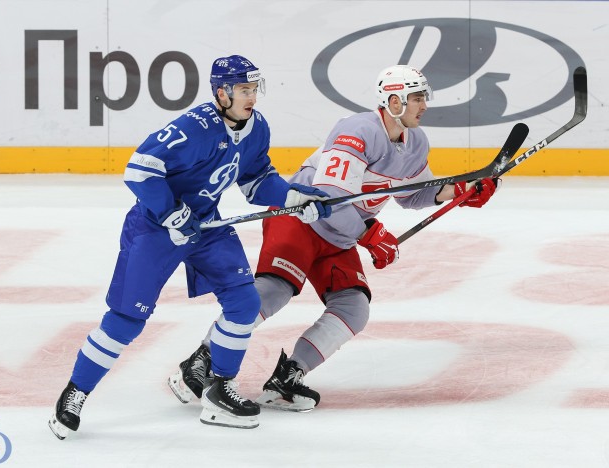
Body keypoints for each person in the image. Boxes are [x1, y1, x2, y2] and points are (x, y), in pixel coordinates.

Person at [168, 65, 498, 412]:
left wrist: (459, 191)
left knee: (354, 308)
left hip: (340, 235)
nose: (424, 105)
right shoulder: (358, 130)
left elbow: (413, 194)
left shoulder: (415, 143)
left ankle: (287, 378)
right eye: (417, 98)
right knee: (274, 291)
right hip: (300, 220)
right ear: (395, 101)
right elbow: (328, 196)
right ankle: (201, 359)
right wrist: (370, 234)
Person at [48, 54, 332, 438]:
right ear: (222, 93)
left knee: (244, 303)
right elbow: (139, 170)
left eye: (254, 89)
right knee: (126, 320)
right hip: (154, 229)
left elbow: (256, 182)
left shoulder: (257, 127)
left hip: (206, 227)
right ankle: (76, 392)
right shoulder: (194, 128)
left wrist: (294, 197)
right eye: (243, 90)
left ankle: (219, 389)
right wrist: (171, 213)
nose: (251, 97)